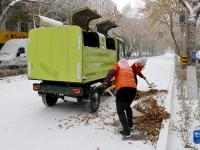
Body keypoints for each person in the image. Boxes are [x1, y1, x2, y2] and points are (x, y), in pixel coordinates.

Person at [103, 59, 137, 137]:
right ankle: (130, 125)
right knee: (127, 107)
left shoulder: (118, 65)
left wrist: (105, 82)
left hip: (123, 90)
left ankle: (126, 131)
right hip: (133, 90)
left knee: (120, 111)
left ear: (119, 63)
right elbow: (133, 79)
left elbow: (111, 72)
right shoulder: (129, 69)